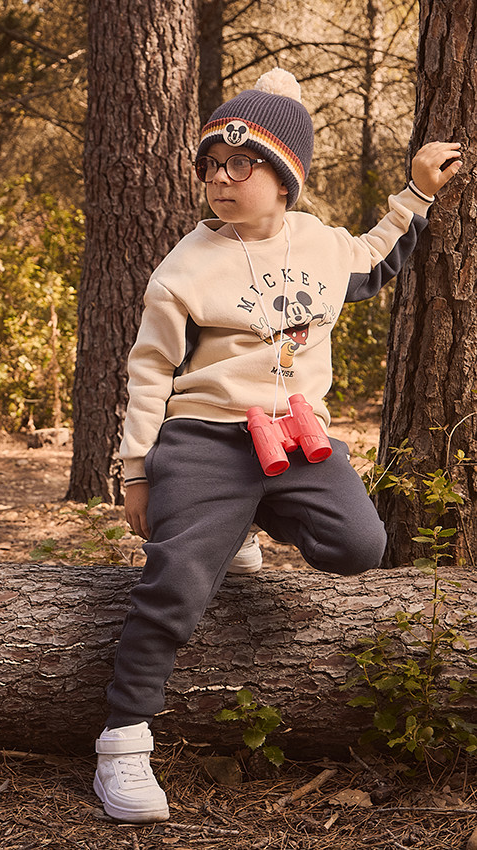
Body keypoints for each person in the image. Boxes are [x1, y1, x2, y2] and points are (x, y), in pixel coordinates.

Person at [93, 68, 462, 824]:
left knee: (361, 544)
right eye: (210, 166)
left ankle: (242, 525)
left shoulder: (320, 244)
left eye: (241, 164)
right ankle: (122, 743)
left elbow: (376, 258)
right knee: (175, 587)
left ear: (286, 175)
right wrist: (137, 472)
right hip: (204, 438)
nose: (220, 179)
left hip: (297, 435)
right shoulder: (184, 269)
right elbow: (149, 371)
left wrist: (418, 192)